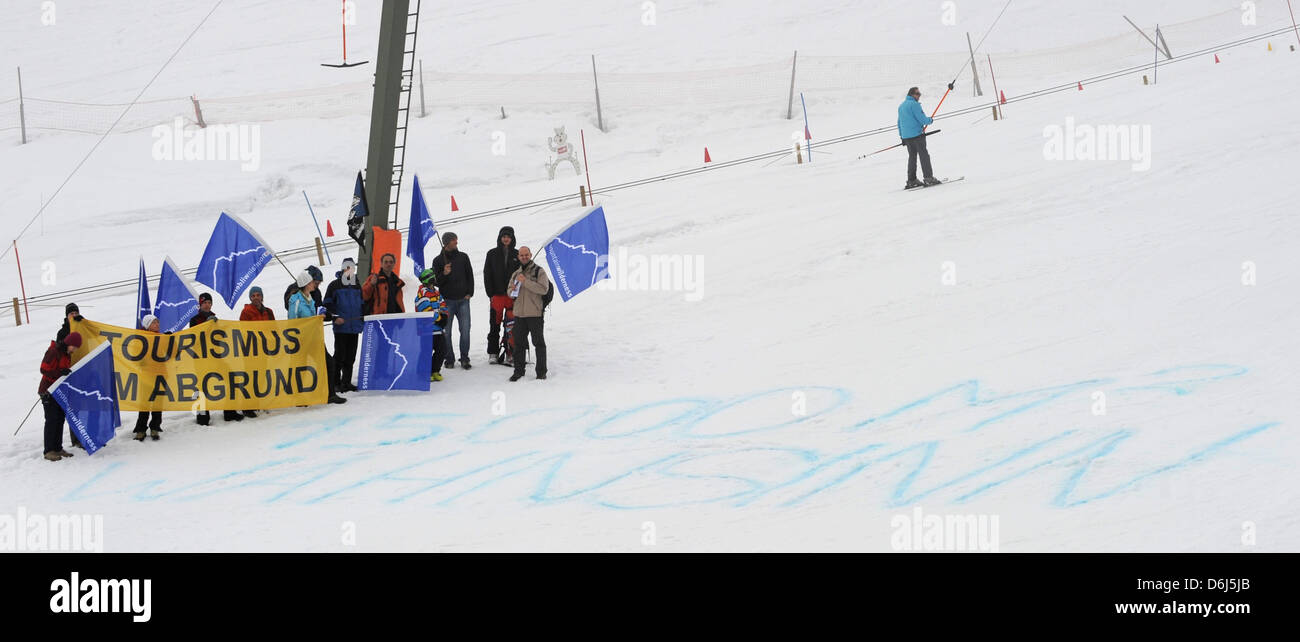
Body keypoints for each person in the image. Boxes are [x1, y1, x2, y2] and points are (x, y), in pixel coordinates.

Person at [290, 270, 347, 404]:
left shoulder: (310, 299)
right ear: (305, 284)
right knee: (301, 368)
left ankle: (330, 394)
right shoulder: (296, 300)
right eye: (311, 282)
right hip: (302, 340)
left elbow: (312, 317)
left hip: (314, 338)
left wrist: (320, 317)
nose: (314, 284)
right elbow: (292, 321)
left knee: (329, 363)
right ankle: (299, 397)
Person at [190, 292, 244, 423]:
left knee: (231, 379)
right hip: (201, 359)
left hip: (216, 357)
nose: (207, 305)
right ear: (200, 304)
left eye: (209, 303)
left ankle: (230, 412)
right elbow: (195, 339)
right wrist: (207, 327)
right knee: (202, 387)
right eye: (205, 303)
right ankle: (202, 416)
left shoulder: (214, 317)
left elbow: (219, 337)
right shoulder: (194, 320)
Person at [433, 232, 475, 370]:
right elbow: (436, 282)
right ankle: (449, 358)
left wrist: (469, 293)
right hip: (447, 301)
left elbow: (470, 275)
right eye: (453, 240)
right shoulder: (438, 261)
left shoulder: (463, 257)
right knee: (446, 332)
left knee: (465, 330)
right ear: (446, 243)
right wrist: (444, 274)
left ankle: (464, 358)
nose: (456, 242)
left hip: (463, 300)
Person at [508, 245, 550, 382]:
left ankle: (541, 372)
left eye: (526, 254)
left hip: (534, 314)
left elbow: (543, 289)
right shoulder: (516, 273)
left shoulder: (539, 271)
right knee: (519, 344)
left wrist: (525, 282)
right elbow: (509, 291)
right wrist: (512, 289)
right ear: (518, 256)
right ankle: (519, 371)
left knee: (538, 343)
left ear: (530, 255)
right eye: (521, 255)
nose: (524, 257)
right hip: (519, 314)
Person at [38, 331, 81, 461]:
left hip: (59, 391)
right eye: (74, 346)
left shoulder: (66, 354)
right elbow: (43, 369)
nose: (74, 350)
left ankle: (57, 448)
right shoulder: (54, 351)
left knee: (60, 419)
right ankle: (49, 450)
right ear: (69, 343)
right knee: (51, 420)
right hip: (47, 391)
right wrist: (60, 373)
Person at [323, 258, 364, 392]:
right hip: (341, 328)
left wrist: (364, 318)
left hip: (354, 327)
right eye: (347, 267)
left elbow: (362, 304)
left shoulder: (358, 286)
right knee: (339, 356)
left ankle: (346, 382)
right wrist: (335, 317)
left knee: (351, 357)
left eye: (351, 267)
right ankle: (336, 382)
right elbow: (327, 304)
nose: (349, 270)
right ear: (343, 268)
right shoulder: (334, 285)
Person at [482, 226, 520, 361]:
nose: (506, 239)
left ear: (512, 238)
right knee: (494, 325)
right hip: (497, 296)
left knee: (511, 326)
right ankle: (493, 352)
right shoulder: (491, 253)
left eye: (508, 236)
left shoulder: (517, 254)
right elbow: (487, 274)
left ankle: (511, 352)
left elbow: (521, 275)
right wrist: (490, 293)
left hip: (511, 297)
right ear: (500, 238)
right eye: (504, 236)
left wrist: (517, 294)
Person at [236, 286, 274, 418]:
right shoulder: (246, 312)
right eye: (253, 296)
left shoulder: (269, 312)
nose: (256, 297)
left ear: (262, 296)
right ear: (250, 298)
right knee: (251, 379)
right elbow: (243, 331)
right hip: (251, 351)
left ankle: (257, 403)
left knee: (261, 378)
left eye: (258, 295)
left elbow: (273, 329)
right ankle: (247, 406)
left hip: (264, 350)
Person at [53, 302, 85, 449]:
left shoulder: (84, 325)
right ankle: (76, 439)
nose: (74, 315)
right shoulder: (62, 331)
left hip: (83, 370)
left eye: (76, 312)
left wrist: (83, 325)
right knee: (73, 408)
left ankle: (86, 435)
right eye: (71, 313)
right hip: (69, 372)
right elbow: (61, 348)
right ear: (67, 316)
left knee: (85, 406)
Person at [898, 86, 941, 189]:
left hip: (907, 137)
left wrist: (902, 136)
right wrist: (929, 120)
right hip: (917, 135)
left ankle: (911, 180)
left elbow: (899, 123)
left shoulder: (901, 106)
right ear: (912, 95)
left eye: (919, 94)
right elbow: (922, 119)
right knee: (924, 156)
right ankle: (928, 178)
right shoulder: (914, 105)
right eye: (917, 94)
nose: (919, 96)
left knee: (912, 157)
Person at [414, 268, 450, 382]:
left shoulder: (436, 292)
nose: (434, 279)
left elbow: (443, 305)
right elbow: (426, 310)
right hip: (426, 329)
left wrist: (444, 316)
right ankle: (424, 372)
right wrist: (439, 318)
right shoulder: (422, 293)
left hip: (438, 329)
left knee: (442, 350)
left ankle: (435, 370)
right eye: (432, 276)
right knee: (426, 351)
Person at [133, 315, 165, 441]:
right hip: (146, 376)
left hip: (161, 375)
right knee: (145, 405)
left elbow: (171, 353)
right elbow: (135, 357)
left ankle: (155, 428)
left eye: (158, 322)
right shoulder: (140, 340)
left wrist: (171, 340)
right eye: (154, 323)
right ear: (148, 326)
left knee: (157, 404)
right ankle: (141, 429)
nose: (157, 325)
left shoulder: (162, 338)